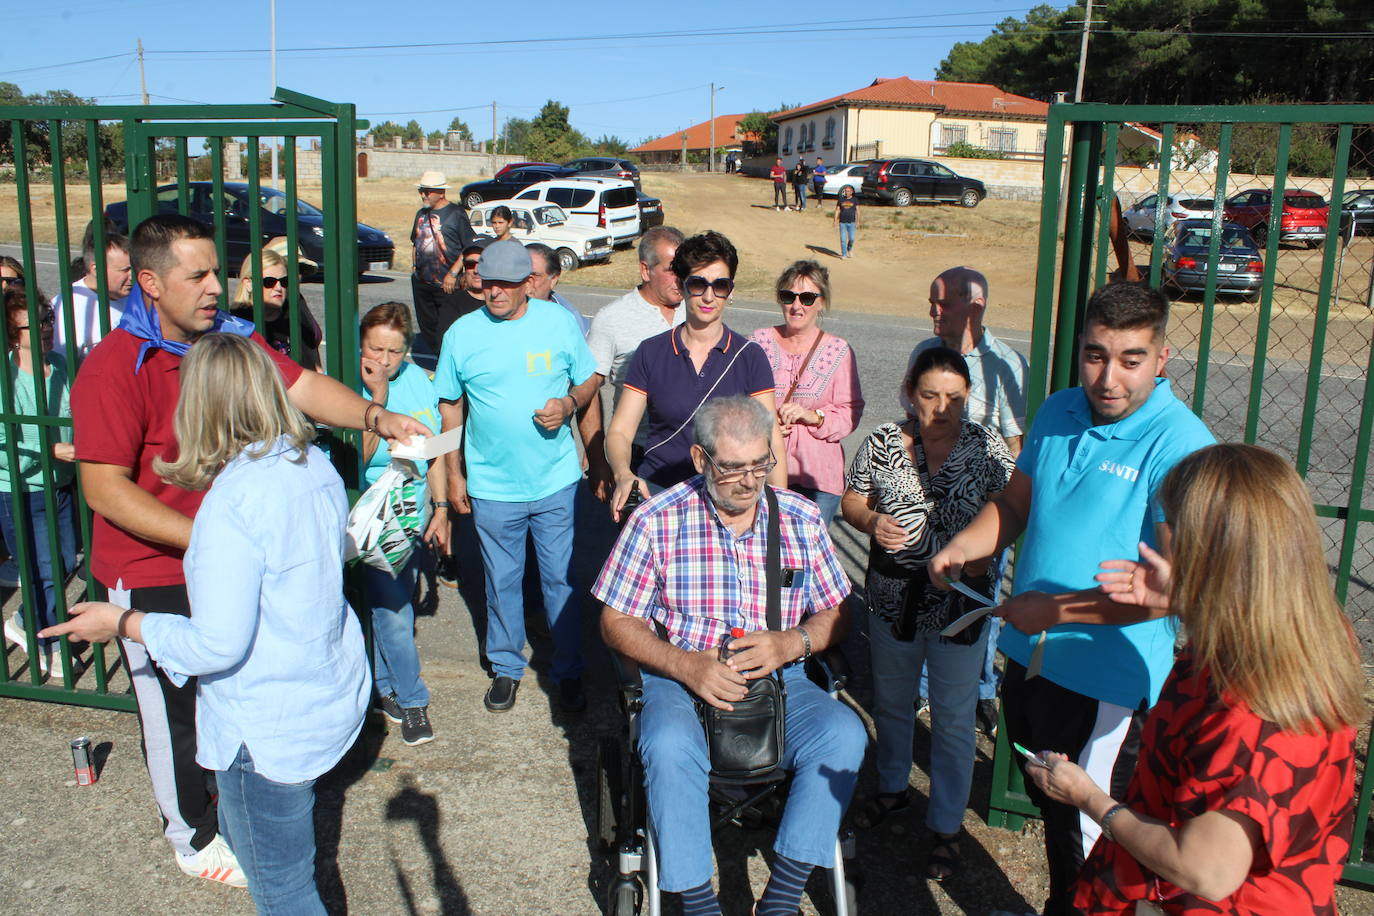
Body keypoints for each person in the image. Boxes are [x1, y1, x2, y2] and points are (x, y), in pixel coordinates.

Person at [70, 213, 427, 887]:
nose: (215, 287)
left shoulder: (232, 338)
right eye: (197, 274)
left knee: (228, 688)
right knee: (175, 710)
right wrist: (213, 541)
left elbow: (303, 388)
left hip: (232, 552)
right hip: (154, 565)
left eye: (215, 271)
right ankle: (193, 836)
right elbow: (104, 490)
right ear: (149, 282)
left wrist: (375, 416)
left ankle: (240, 804)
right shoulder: (114, 367)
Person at [44, 332, 371, 914]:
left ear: (200, 405)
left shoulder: (232, 501)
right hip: (318, 703)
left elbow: (215, 644)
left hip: (262, 730)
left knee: (283, 890)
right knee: (295, 870)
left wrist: (123, 621)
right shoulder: (313, 464)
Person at [928, 282, 1215, 916]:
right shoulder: (1058, 411)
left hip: (1108, 686)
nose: (1109, 378)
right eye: (1095, 355)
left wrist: (1053, 611)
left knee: (1098, 832)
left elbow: (1171, 591)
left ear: (1162, 357)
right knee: (1056, 815)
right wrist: (963, 546)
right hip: (1033, 662)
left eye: (1131, 359)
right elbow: (1014, 505)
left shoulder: (1181, 445)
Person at [1029, 444, 1363, 916]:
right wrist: (1187, 596)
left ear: (1214, 550)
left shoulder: (1249, 710)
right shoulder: (1314, 630)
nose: (1165, 537)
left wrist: (1088, 796)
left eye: (1175, 526)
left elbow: (1205, 871)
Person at [595, 395, 866, 916]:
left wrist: (791, 642)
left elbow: (837, 612)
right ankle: (699, 904)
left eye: (760, 464)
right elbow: (615, 620)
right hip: (681, 676)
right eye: (732, 467)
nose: (749, 480)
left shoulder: (800, 519)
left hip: (780, 681)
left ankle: (782, 899)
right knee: (668, 743)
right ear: (700, 460)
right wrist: (685, 665)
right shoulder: (657, 519)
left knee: (845, 733)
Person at [841, 347, 1014, 880]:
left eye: (955, 399)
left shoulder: (987, 449)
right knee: (892, 706)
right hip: (893, 600)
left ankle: (945, 827)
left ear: (969, 400)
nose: (941, 409)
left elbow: (1015, 510)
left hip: (960, 607)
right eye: (930, 395)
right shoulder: (884, 442)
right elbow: (852, 499)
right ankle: (893, 790)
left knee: (955, 720)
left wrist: (978, 552)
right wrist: (871, 524)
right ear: (909, 393)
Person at [434, 239, 598, 714]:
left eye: (506, 284)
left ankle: (568, 671)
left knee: (560, 581)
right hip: (491, 486)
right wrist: (453, 473)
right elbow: (449, 407)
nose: (495, 293)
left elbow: (588, 379)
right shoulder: (462, 334)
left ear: (529, 283)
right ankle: (506, 667)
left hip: (554, 481)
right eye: (487, 283)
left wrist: (568, 404)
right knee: (500, 579)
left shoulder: (558, 322)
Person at [904, 266, 1030, 737]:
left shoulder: (1006, 365)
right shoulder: (924, 353)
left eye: (943, 302)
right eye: (931, 301)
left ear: (974, 306)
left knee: (980, 598)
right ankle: (922, 686)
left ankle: (982, 691)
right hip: (930, 498)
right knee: (928, 589)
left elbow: (1016, 443)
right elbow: (909, 422)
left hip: (982, 507)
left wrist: (1008, 503)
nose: (934, 311)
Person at [605, 230, 785, 522]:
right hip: (662, 495)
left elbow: (771, 438)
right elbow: (621, 431)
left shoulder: (750, 357)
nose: (709, 296)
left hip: (731, 505)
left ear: (731, 290)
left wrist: (777, 514)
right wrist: (624, 474)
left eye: (720, 285)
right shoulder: (651, 352)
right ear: (682, 285)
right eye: (698, 284)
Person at [359, 302, 448, 746]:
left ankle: (384, 688)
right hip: (370, 516)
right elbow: (355, 453)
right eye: (376, 349)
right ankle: (413, 701)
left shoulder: (418, 381)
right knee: (393, 612)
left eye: (395, 352)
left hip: (413, 510)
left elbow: (435, 448)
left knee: (389, 606)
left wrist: (444, 507)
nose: (385, 361)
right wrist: (375, 396)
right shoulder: (349, 383)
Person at [0, 290, 79, 678]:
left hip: (60, 483)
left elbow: (74, 412)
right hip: (20, 487)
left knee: (64, 560)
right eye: (36, 324)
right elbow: (6, 434)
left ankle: (23, 617)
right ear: (14, 334)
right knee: (41, 567)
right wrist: (51, 448)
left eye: (48, 320)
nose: (47, 329)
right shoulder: (6, 374)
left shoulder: (60, 365)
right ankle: (47, 640)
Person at [750, 260, 863, 524]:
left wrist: (814, 416)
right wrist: (767, 423)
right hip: (763, 468)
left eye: (807, 298)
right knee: (765, 554)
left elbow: (851, 412)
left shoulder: (839, 351)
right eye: (788, 296)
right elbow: (737, 403)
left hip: (818, 478)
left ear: (821, 302)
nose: (797, 305)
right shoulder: (757, 343)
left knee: (806, 559)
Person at [579, 226, 685, 501]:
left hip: (693, 455)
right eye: (673, 269)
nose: (682, 278)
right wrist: (599, 460)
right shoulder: (612, 318)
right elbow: (590, 390)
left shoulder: (697, 310)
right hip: (638, 456)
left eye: (686, 267)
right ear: (645, 270)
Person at [410, 170, 476, 357]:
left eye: (427, 191)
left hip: (447, 284)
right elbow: (415, 242)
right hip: (422, 281)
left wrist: (453, 274)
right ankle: (438, 360)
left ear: (441, 192)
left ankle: (448, 364)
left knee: (447, 328)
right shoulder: (420, 214)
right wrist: (415, 268)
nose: (423, 195)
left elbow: (468, 248)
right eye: (421, 190)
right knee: (427, 327)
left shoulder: (456, 214)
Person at [229, 249, 323, 371]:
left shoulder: (294, 312)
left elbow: (313, 362)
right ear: (248, 284)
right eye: (269, 282)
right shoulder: (238, 324)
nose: (278, 288)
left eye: (284, 281)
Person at [50, 232, 133, 361]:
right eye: (125, 270)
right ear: (96, 269)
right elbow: (60, 366)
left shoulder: (137, 295)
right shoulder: (67, 308)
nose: (132, 276)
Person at [525, 243, 589, 336]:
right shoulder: (500, 308)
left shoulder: (571, 323)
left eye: (534, 276)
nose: (525, 282)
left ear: (553, 279)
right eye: (520, 274)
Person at [834, 186, 860, 258]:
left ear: (851, 192)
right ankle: (844, 254)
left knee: (852, 238)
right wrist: (835, 220)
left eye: (848, 191)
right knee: (843, 239)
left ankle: (849, 249)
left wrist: (858, 221)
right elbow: (837, 210)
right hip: (842, 222)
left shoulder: (855, 200)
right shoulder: (841, 200)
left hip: (852, 222)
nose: (846, 192)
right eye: (845, 191)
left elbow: (857, 211)